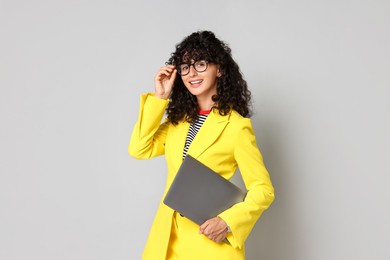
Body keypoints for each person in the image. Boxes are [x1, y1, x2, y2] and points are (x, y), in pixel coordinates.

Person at [129, 31, 275, 260]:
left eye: (201, 64)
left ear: (219, 69)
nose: (192, 73)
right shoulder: (178, 122)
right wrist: (160, 98)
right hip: (166, 243)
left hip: (208, 245)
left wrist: (227, 222)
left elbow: (263, 190)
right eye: (185, 67)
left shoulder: (237, 127)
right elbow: (139, 148)